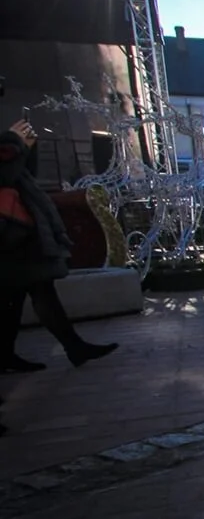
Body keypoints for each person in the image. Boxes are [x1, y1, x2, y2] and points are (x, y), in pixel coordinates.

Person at [1, 119, 118, 373]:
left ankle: (70, 347)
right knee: (31, 291)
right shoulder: (6, 143)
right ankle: (73, 347)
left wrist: (25, 148)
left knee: (27, 293)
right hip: (11, 233)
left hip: (17, 232)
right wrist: (14, 144)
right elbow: (6, 176)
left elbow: (22, 174)